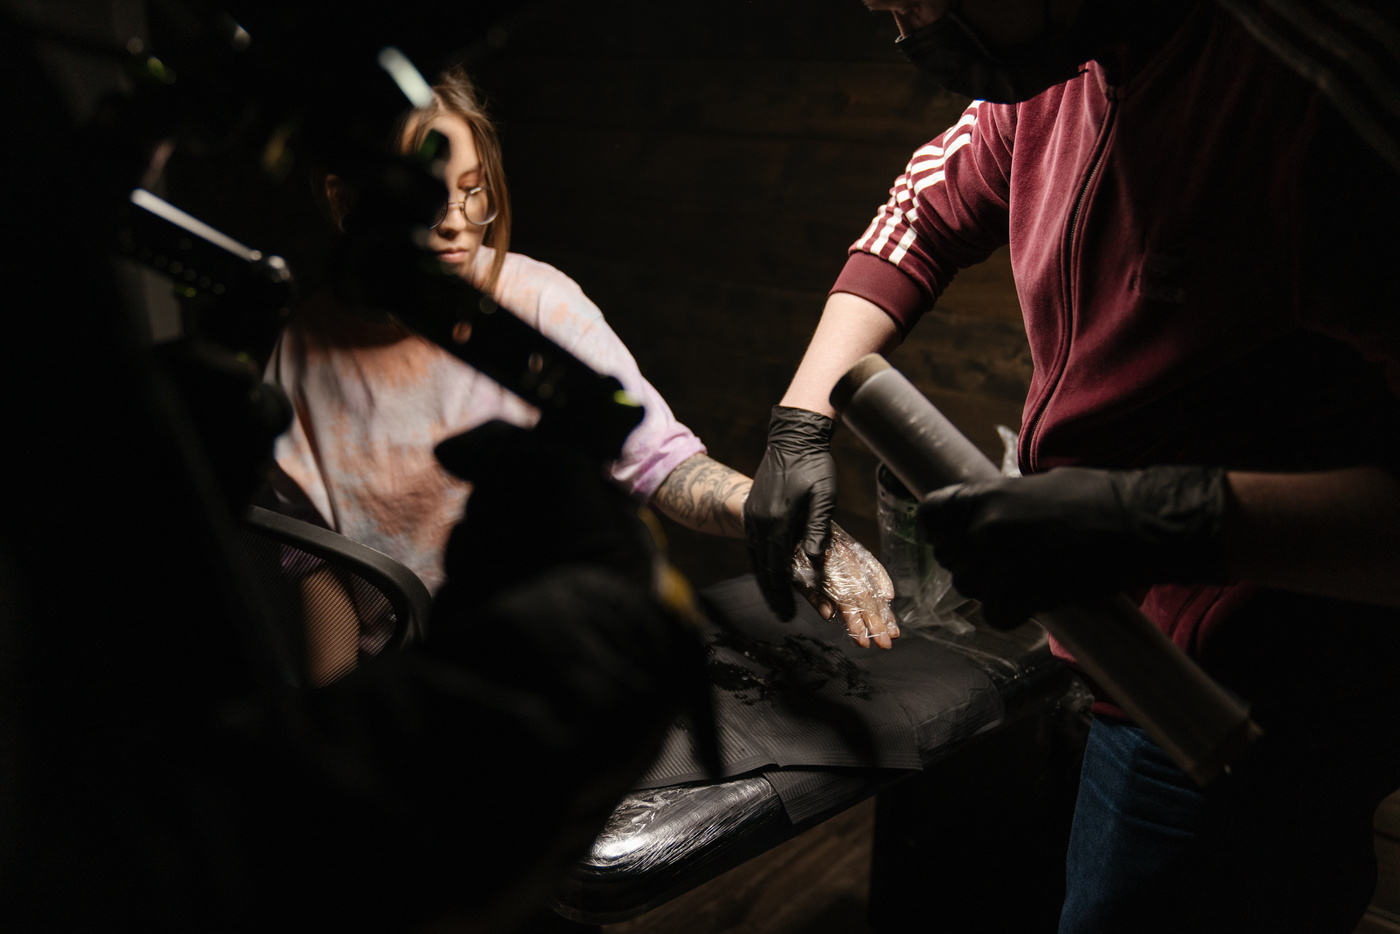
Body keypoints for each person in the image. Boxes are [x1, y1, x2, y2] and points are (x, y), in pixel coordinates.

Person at [742, 1, 1400, 931]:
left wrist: (1168, 520)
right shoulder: (1053, 71)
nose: (910, 33)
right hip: (1122, 645)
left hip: (1252, 697)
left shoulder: (1321, 95)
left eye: (924, 1)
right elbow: (924, 207)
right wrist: (801, 420)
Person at [266, 64, 900, 650]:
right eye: (430, 198)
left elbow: (660, 464)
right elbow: (318, 564)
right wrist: (335, 719)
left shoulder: (541, 303)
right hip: (424, 682)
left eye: (474, 192)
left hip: (572, 662)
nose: (459, 222)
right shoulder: (298, 353)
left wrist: (777, 520)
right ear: (347, 200)